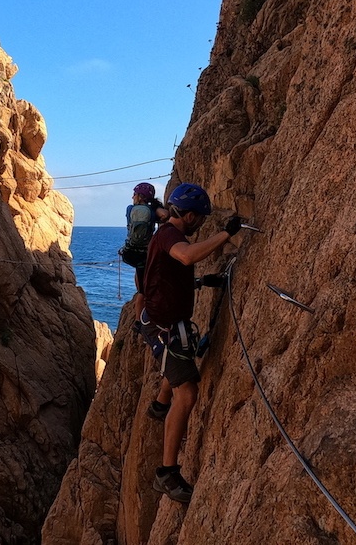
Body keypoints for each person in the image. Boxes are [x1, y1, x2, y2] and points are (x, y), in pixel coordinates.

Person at [140, 182, 241, 503]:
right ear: (189, 215)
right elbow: (184, 258)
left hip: (165, 322)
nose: (200, 224)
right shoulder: (171, 236)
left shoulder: (166, 236)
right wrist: (227, 234)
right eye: (199, 218)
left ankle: (159, 405)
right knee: (188, 391)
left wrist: (200, 281)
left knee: (177, 366)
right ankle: (167, 474)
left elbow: (167, 275)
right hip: (163, 328)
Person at [119, 182, 168, 318]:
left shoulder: (130, 209)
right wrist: (155, 207)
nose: (132, 196)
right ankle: (138, 322)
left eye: (134, 194)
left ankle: (140, 291)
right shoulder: (152, 212)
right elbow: (165, 215)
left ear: (140, 196)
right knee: (143, 292)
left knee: (139, 276)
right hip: (144, 255)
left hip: (129, 253)